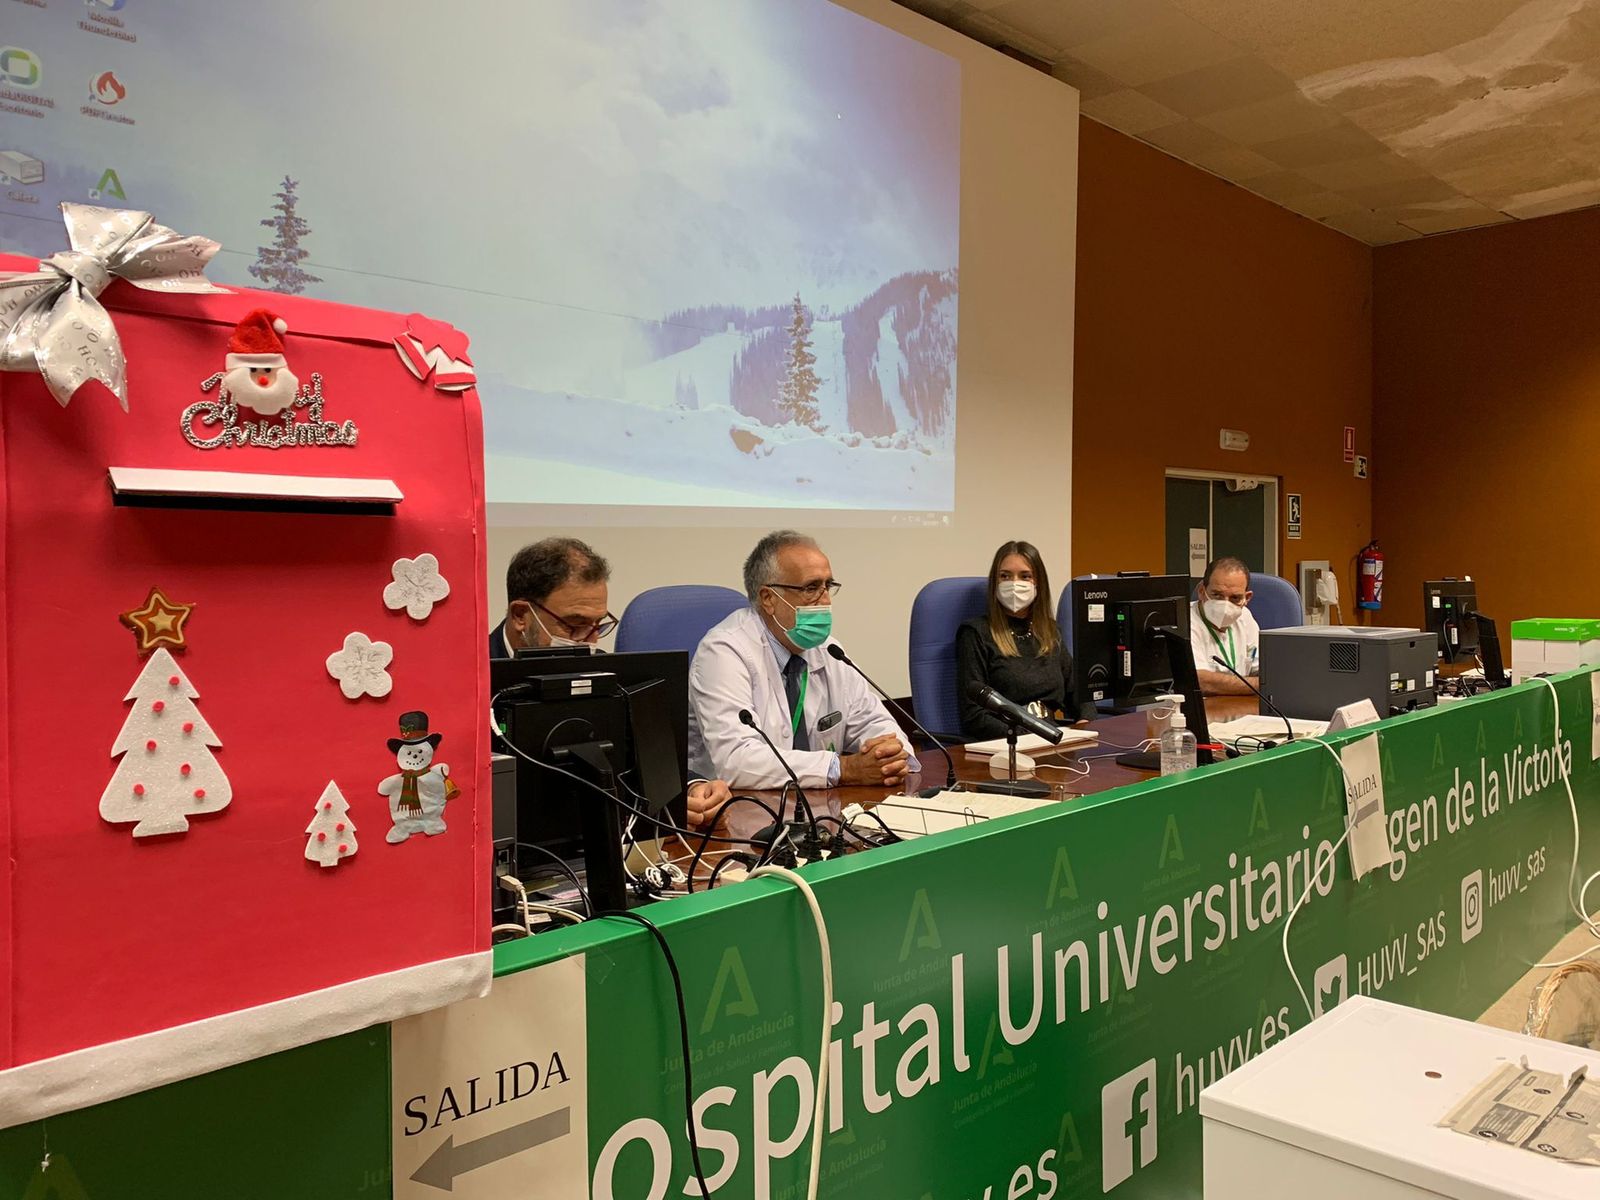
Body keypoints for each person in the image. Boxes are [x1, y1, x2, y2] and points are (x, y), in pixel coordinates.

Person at [491, 537, 732, 824]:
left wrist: (693, 787)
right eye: (576, 625)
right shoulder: (469, 679)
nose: (591, 641)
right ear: (521, 615)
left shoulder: (608, 673)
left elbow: (649, 756)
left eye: (599, 625)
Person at [688, 531, 918, 790]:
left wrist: (890, 754)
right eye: (811, 588)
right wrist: (842, 768)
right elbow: (737, 760)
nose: (826, 600)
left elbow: (872, 720)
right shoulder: (724, 651)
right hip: (732, 808)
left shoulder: (830, 649)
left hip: (816, 803)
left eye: (828, 586)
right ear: (768, 598)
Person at [956, 540, 1091, 738]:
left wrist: (1085, 722)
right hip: (1008, 742)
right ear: (995, 582)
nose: (1014, 583)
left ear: (1038, 582)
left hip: (1053, 739)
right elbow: (974, 715)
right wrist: (1026, 735)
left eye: (1025, 576)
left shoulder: (1049, 631)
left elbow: (1076, 692)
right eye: (1005, 576)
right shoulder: (976, 633)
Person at [1191, 556, 1262, 695]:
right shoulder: (1185, 621)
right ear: (1201, 592)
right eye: (1217, 595)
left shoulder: (1245, 616)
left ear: (1247, 598)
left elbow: (1265, 670)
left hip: (1241, 707)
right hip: (1204, 709)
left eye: (1235, 598)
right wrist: (1259, 685)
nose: (1225, 604)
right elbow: (1199, 680)